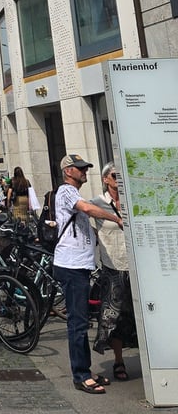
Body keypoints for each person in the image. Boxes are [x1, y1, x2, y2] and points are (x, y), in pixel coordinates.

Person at [53, 154, 123, 395]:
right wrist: (115, 217)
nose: (85, 172)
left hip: (79, 265)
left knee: (81, 321)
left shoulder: (74, 193)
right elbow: (87, 209)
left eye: (85, 168)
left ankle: (84, 369)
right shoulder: (66, 191)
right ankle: (80, 375)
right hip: (70, 266)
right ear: (68, 171)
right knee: (78, 323)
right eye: (80, 168)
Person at [91, 162, 137, 382]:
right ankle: (119, 360)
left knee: (138, 316)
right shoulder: (98, 204)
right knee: (114, 317)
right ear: (105, 179)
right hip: (113, 267)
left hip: (136, 267)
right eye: (114, 176)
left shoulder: (133, 200)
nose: (119, 179)